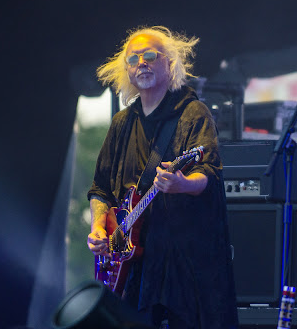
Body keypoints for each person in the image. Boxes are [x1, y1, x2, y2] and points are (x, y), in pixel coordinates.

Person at [86, 26, 238, 329]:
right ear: (127, 71)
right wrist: (99, 227)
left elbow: (209, 173)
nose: (142, 62)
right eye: (134, 59)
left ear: (170, 64)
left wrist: (183, 184)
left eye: (151, 55)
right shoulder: (121, 123)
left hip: (182, 264)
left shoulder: (193, 114)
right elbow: (100, 189)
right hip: (131, 267)